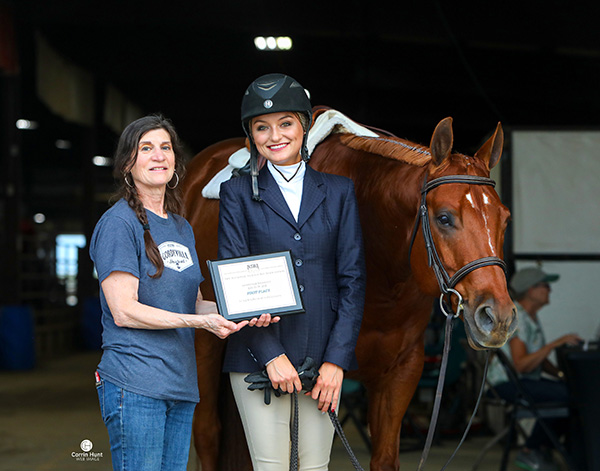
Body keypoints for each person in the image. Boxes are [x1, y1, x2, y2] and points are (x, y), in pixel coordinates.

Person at [89, 114, 277, 471]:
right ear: (128, 162)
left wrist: (246, 307)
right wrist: (198, 322)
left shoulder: (180, 226)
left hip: (181, 385)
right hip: (136, 384)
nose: (158, 156)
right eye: (146, 148)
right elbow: (124, 310)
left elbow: (192, 303)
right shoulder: (118, 224)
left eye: (165, 147)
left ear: (175, 160)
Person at [218, 73, 366, 471]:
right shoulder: (235, 194)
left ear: (304, 126)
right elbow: (235, 282)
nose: (275, 135)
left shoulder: (339, 191)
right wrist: (271, 356)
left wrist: (336, 361)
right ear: (251, 135)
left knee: (315, 467)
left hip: (323, 361)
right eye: (262, 127)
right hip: (257, 360)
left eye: (285, 124)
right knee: (272, 467)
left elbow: (352, 281)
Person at [487, 267, 582, 471]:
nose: (550, 290)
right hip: (507, 384)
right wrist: (554, 344)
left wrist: (562, 375)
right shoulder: (518, 318)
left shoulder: (529, 317)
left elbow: (538, 359)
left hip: (523, 380)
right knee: (567, 397)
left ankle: (548, 450)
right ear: (531, 290)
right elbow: (521, 365)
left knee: (574, 393)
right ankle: (531, 450)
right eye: (546, 286)